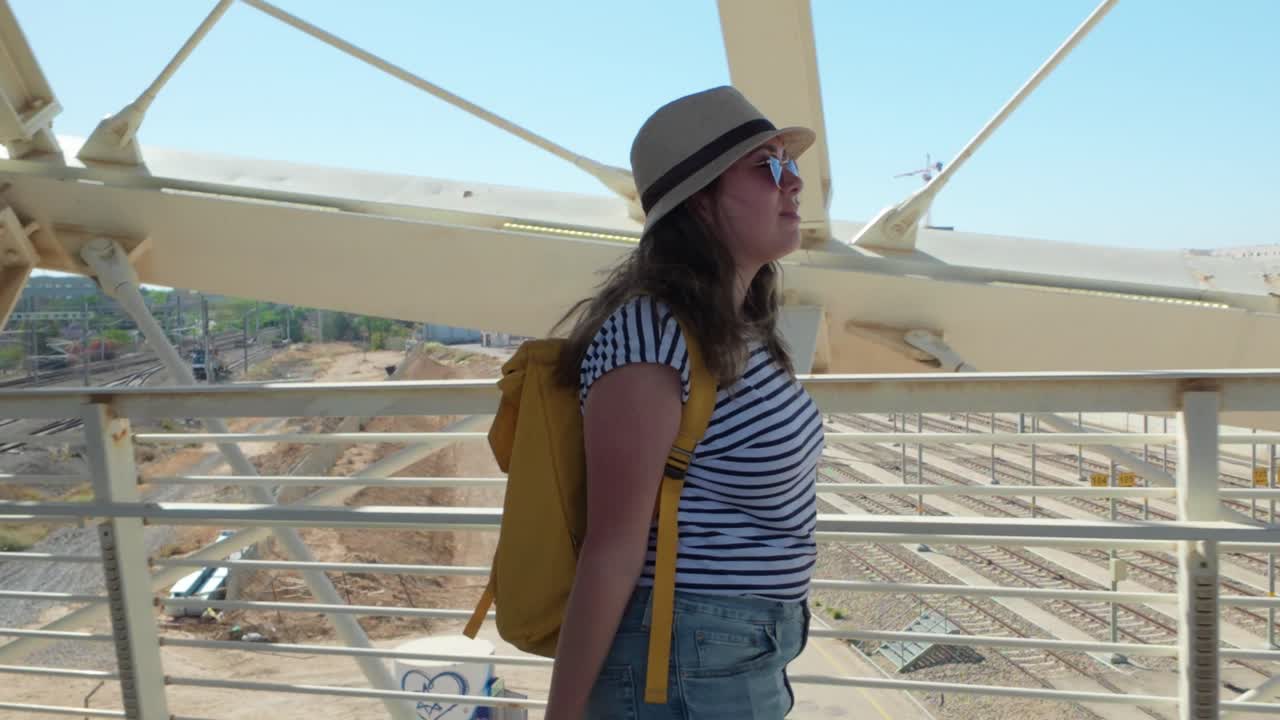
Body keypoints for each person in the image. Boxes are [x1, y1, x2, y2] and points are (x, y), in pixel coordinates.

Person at [543, 86, 826, 719]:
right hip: (681, 664)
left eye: (791, 164)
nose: (794, 184)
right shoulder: (650, 334)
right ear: (700, 203)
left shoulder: (740, 329)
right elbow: (612, 546)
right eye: (769, 166)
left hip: (740, 654)